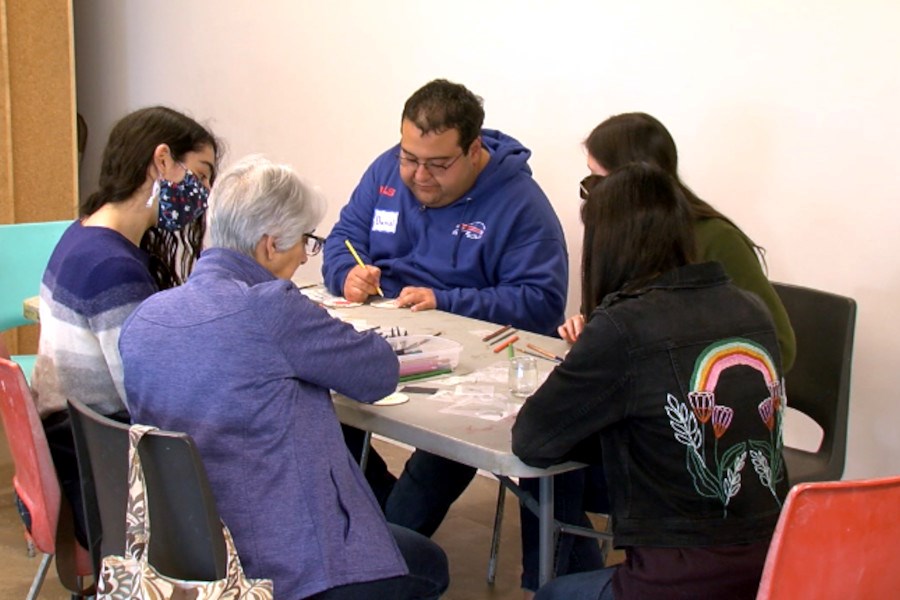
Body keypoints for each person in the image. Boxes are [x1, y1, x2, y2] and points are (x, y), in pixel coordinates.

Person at [119, 155, 449, 599]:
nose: (303, 257)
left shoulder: (145, 318)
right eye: (305, 243)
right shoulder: (272, 309)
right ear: (269, 246)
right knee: (429, 563)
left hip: (185, 548)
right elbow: (378, 372)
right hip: (282, 560)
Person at [512, 162, 789, 600]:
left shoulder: (623, 326)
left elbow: (532, 441)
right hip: (780, 561)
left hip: (683, 575)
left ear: (606, 245)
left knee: (552, 595)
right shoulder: (751, 309)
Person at [322, 79, 569, 537]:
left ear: (474, 150)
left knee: (454, 436)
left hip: (471, 361)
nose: (418, 175)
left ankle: (391, 550)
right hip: (382, 334)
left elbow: (542, 302)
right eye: (409, 158)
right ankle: (380, 520)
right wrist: (346, 273)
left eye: (437, 164)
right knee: (312, 401)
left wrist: (447, 300)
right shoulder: (386, 173)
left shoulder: (521, 205)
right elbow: (343, 238)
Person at [31, 106, 219, 546]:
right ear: (162, 161)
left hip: (81, 453)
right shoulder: (112, 267)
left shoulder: (83, 234)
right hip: (107, 475)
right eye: (201, 175)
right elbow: (149, 396)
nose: (205, 193)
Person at [564, 112, 795, 371]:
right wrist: (593, 325)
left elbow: (779, 346)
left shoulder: (716, 239)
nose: (592, 196)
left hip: (697, 400)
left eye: (597, 181)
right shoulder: (619, 240)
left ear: (632, 182)